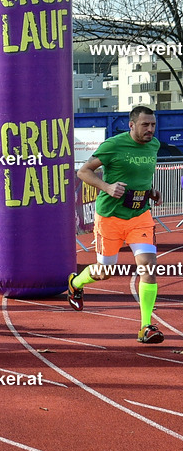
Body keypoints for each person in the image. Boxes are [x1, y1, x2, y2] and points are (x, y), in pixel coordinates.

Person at [68, 105, 164, 343]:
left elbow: (139, 176)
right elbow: (83, 172)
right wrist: (107, 187)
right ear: (132, 125)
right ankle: (75, 282)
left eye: (153, 124)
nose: (150, 129)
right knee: (105, 272)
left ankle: (146, 326)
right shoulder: (113, 145)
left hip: (140, 216)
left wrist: (150, 191)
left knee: (148, 268)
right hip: (110, 216)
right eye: (145, 125)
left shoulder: (154, 145)